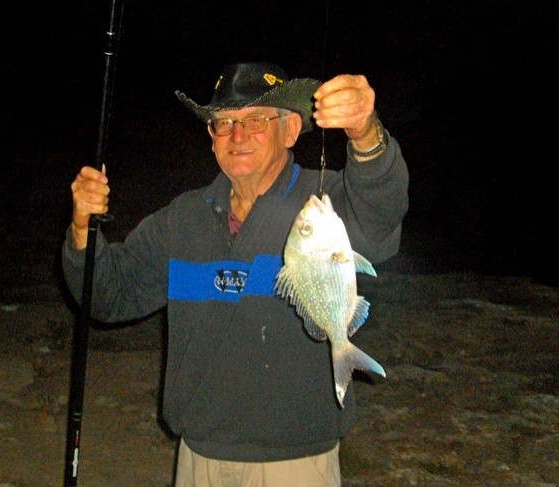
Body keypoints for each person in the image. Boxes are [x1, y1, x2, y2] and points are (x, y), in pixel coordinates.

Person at [62, 62, 408, 486]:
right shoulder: (182, 219)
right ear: (211, 140)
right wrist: (82, 229)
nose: (237, 136)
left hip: (297, 464)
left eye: (256, 120)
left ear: (290, 130)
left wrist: (365, 134)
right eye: (223, 123)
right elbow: (108, 294)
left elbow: (381, 213)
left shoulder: (324, 208)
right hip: (199, 459)